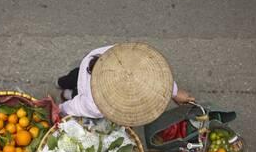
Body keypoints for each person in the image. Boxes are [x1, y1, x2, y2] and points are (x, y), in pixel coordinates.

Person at [57, 43, 195, 126]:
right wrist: (60, 110)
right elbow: (77, 106)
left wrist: (174, 92)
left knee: (73, 76)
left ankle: (62, 83)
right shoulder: (96, 105)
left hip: (92, 60)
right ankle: (66, 92)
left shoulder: (129, 55)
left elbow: (156, 79)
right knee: (77, 91)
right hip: (86, 80)